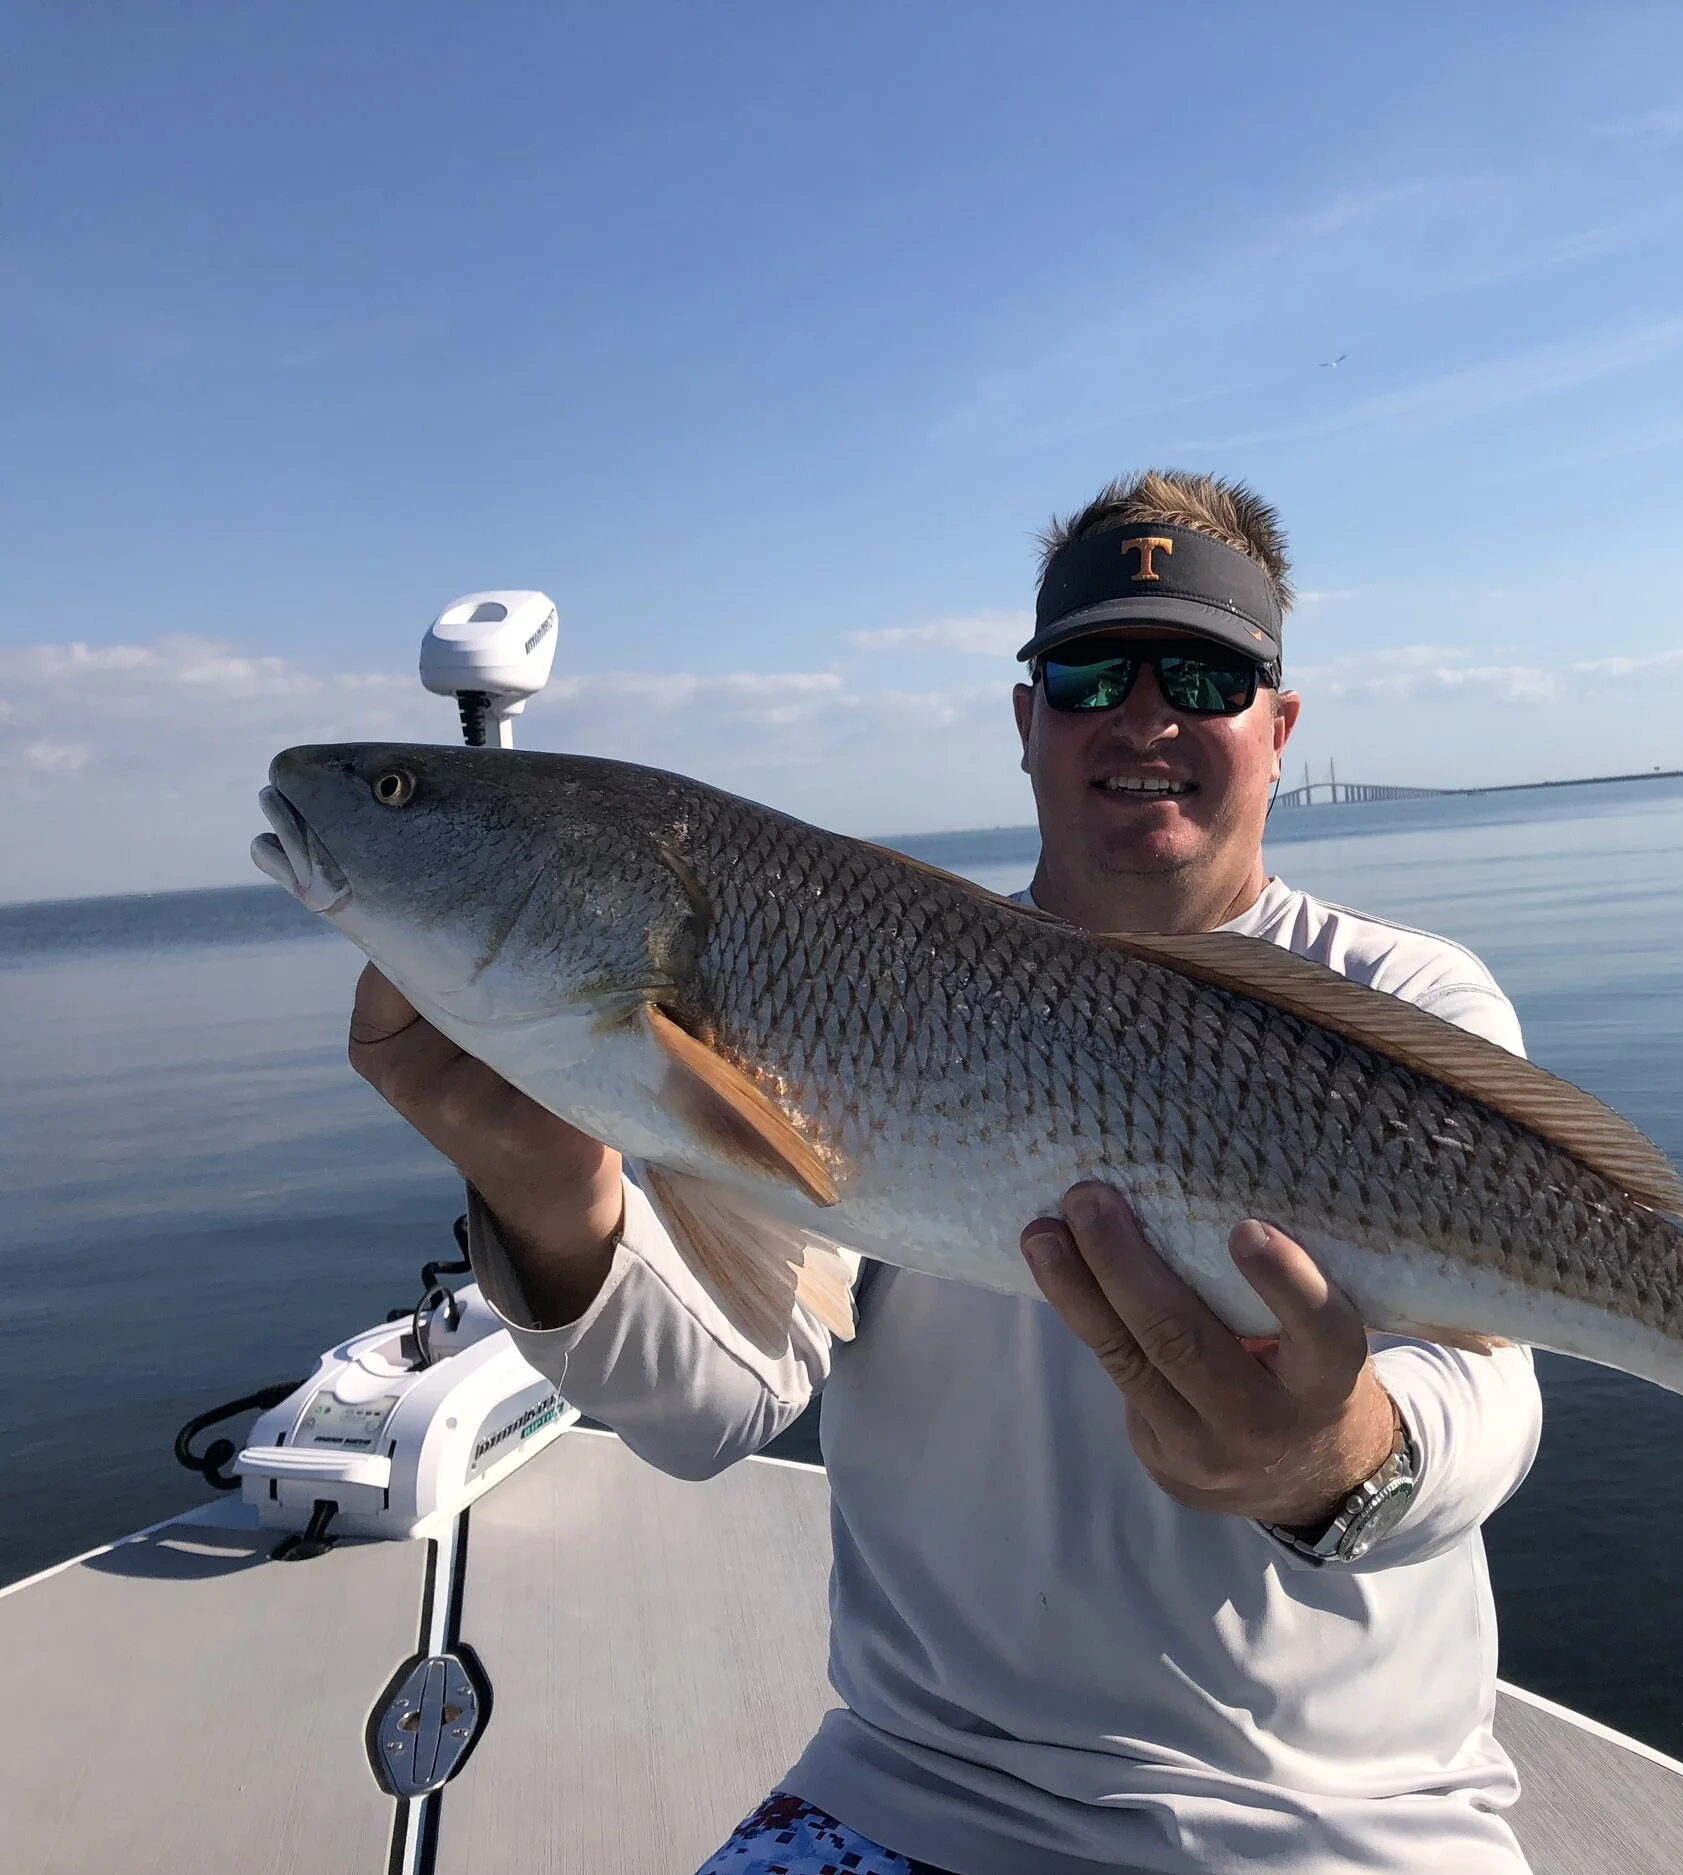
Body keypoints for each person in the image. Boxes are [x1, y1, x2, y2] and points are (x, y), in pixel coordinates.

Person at [349, 469, 1544, 1874]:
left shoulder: (1403, 996)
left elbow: (1493, 1387)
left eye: (1206, 673)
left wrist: (1340, 1460)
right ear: (1028, 720)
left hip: (1343, 1821)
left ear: (1278, 731)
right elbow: (718, 1403)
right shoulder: (866, 982)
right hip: (915, 1788)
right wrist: (555, 1206)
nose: (1144, 713)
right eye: (1092, 669)